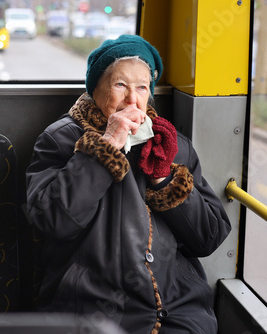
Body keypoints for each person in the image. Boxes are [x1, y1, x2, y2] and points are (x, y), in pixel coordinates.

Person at [26, 35, 231, 334]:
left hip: (177, 308)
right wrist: (105, 148)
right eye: (120, 85)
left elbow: (209, 237)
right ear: (95, 90)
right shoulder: (60, 140)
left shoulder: (171, 145)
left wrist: (164, 178)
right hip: (91, 310)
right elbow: (52, 221)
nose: (132, 100)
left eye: (142, 88)